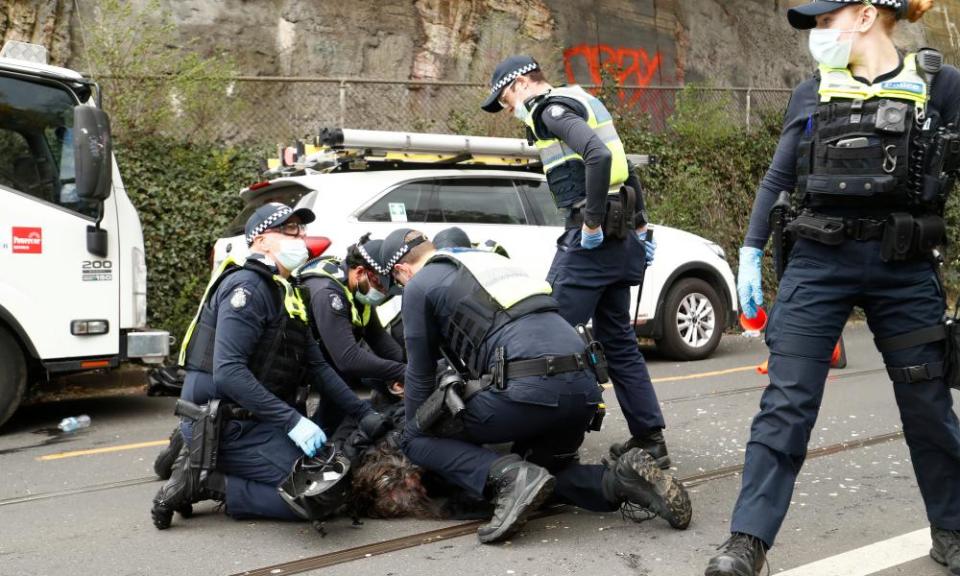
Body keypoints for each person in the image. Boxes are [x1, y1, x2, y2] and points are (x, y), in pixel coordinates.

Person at [705, 1, 960, 574]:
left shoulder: (941, 86)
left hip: (906, 261)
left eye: (824, 21)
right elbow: (778, 176)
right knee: (786, 403)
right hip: (818, 259)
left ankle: (953, 530)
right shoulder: (811, 91)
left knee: (928, 404)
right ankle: (747, 541)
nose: (817, 35)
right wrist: (750, 251)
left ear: (865, 15)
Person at [370, 228, 692, 544]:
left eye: (397, 282)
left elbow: (419, 374)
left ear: (401, 270)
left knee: (417, 438)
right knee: (546, 476)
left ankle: (511, 477)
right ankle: (622, 480)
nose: (401, 287)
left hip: (529, 390)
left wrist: (415, 433)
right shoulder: (490, 264)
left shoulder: (420, 285)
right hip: (584, 389)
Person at [481, 55, 670, 469]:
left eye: (505, 101)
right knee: (618, 341)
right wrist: (639, 229)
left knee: (542, 333)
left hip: (594, 244)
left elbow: (599, 157)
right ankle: (650, 439)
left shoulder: (549, 109)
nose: (509, 111)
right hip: (619, 240)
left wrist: (591, 223)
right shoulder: (581, 100)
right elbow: (623, 167)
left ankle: (546, 444)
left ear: (518, 86)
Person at [150, 202, 388, 529]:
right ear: (261, 241)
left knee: (332, 472)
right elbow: (229, 373)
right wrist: (294, 423)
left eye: (301, 229)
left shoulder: (286, 291)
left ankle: (200, 462)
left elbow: (318, 366)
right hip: (224, 424)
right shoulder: (247, 288)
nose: (301, 236)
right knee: (319, 496)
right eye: (290, 229)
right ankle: (211, 482)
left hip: (255, 420)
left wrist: (364, 414)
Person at [295, 233, 406, 416]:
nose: (384, 292)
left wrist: (410, 367)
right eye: (380, 285)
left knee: (339, 413)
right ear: (361, 272)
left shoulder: (356, 288)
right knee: (341, 412)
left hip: (330, 358)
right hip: (304, 365)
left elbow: (377, 337)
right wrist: (402, 371)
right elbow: (348, 359)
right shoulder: (328, 293)